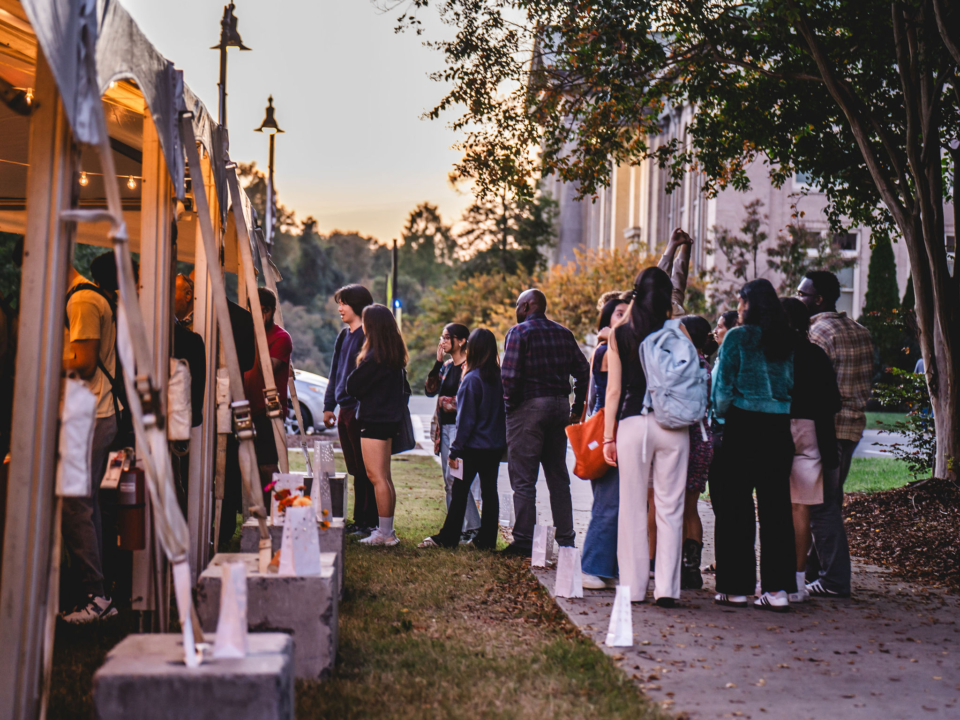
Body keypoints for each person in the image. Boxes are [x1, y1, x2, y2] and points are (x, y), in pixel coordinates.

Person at [604, 267, 688, 607]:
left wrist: (608, 437)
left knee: (633, 508)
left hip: (633, 424)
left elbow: (613, 390)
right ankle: (667, 587)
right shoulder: (679, 331)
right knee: (670, 508)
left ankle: (634, 588)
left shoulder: (620, 333)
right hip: (673, 425)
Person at [711, 278, 796, 612]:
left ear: (748, 303)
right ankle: (778, 589)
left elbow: (722, 388)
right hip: (778, 427)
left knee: (735, 507)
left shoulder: (737, 337)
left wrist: (720, 417)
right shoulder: (787, 339)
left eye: (740, 300)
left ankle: (735, 587)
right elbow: (791, 383)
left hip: (743, 424)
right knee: (776, 508)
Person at [797, 270, 873, 598]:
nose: (798, 298)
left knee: (821, 506)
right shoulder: (861, 332)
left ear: (819, 299)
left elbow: (813, 386)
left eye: (803, 294)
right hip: (853, 427)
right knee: (830, 499)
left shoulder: (817, 333)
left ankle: (834, 579)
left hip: (826, 429)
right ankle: (817, 571)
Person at [501, 289, 590, 556]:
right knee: (557, 476)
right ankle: (566, 539)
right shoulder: (564, 333)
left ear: (528, 306)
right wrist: (576, 407)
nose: (516, 310)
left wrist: (510, 406)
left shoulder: (519, 333)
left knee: (524, 478)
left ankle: (524, 539)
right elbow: (583, 371)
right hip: (559, 407)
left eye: (518, 305)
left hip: (528, 407)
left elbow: (510, 377)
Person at [61, 253, 121, 622]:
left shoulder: (81, 299)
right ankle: (95, 590)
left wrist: (40, 356)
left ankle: (95, 596)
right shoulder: (84, 296)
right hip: (94, 411)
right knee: (85, 503)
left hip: (91, 412)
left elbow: (83, 361)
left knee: (74, 503)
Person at [420, 328, 506, 550]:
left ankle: (448, 537)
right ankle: (487, 540)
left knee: (458, 491)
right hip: (494, 446)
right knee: (489, 493)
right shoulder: (498, 378)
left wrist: (456, 450)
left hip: (472, 447)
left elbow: (466, 419)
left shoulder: (471, 379)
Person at [781, 297, 842, 603]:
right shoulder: (816, 354)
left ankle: (775, 580)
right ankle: (797, 582)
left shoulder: (775, 351)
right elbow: (834, 402)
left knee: (774, 504)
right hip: (812, 431)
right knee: (801, 506)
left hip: (777, 426)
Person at [346, 304, 409, 547]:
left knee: (376, 477)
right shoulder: (392, 357)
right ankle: (387, 530)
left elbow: (353, 386)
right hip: (387, 421)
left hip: (374, 421)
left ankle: (385, 533)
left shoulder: (374, 358)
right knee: (385, 477)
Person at [581, 297, 629, 589]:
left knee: (617, 501)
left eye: (628, 314)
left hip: (614, 426)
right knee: (608, 500)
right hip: (608, 428)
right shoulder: (606, 351)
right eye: (619, 314)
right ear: (607, 319)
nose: (624, 319)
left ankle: (606, 568)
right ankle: (592, 567)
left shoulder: (611, 346)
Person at [323, 284, 378, 536]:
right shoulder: (344, 336)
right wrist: (328, 406)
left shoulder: (369, 336)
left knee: (366, 469)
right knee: (354, 468)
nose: (340, 308)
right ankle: (359, 521)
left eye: (344, 302)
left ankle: (368, 522)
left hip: (360, 409)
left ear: (357, 305)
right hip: (343, 409)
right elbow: (334, 371)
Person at [425, 323, 482, 542]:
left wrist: (444, 401)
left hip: (460, 429)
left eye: (447, 337)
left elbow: (466, 402)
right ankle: (455, 528)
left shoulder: (469, 367)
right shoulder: (447, 366)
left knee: (456, 479)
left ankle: (471, 526)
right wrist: (437, 361)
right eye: (442, 337)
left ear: (461, 340)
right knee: (449, 480)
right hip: (444, 429)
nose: (443, 341)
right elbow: (430, 390)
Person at [242, 287, 292, 509]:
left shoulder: (281, 337)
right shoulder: (243, 332)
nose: (260, 315)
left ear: (272, 311)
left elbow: (267, 368)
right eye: (255, 310)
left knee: (268, 465)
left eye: (265, 311)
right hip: (244, 406)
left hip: (268, 410)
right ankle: (257, 508)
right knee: (248, 464)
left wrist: (257, 335)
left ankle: (276, 510)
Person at [677, 315, 716, 591]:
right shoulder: (706, 366)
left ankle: (680, 565)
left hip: (686, 439)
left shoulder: (687, 365)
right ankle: (691, 569)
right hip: (703, 439)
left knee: (679, 509)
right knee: (690, 509)